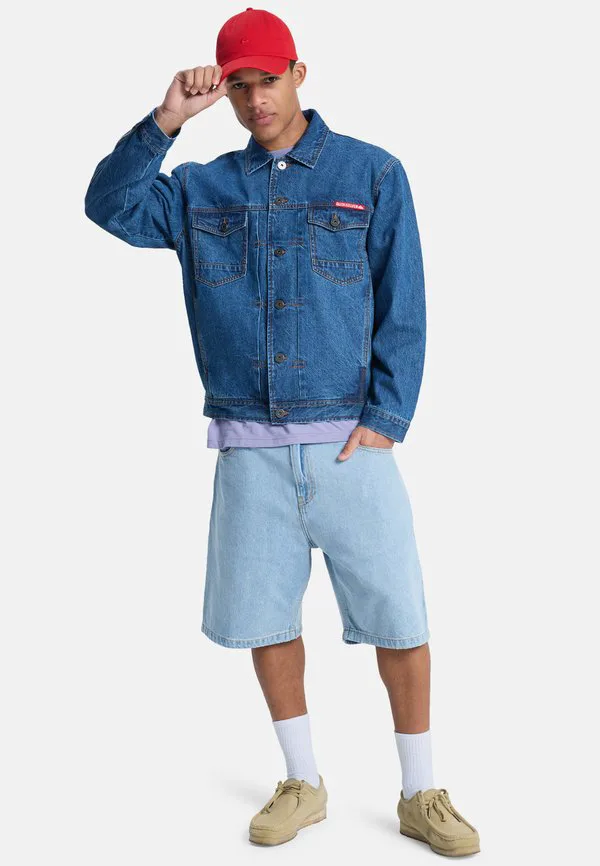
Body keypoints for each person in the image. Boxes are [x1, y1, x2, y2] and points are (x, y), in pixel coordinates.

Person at [84, 6, 480, 856]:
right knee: (267, 621)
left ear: (299, 73)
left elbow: (405, 299)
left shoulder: (372, 171)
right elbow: (109, 205)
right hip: (248, 450)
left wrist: (386, 419)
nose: (256, 99)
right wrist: (166, 121)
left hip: (350, 444)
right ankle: (303, 781)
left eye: (268, 80)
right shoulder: (201, 188)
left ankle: (421, 792)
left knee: (400, 619)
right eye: (239, 86)